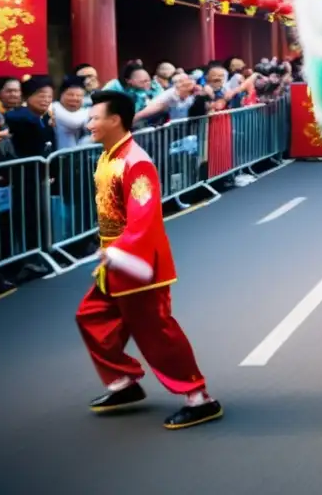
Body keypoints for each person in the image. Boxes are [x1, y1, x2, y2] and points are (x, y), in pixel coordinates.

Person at [75, 90, 222, 430]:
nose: (90, 123)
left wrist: (119, 251)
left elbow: (144, 217)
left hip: (137, 264)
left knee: (155, 332)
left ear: (115, 120)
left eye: (95, 117)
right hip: (113, 261)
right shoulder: (108, 156)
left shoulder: (136, 162)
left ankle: (199, 397)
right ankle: (124, 383)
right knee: (92, 317)